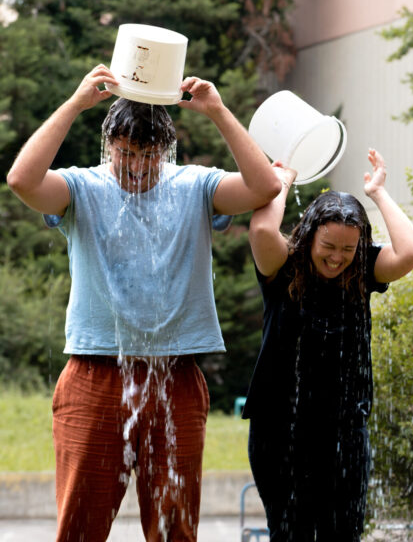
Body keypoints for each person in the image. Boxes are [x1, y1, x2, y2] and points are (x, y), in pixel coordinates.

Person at [5, 64, 281, 541]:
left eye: (148, 156)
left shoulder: (196, 186)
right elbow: (22, 181)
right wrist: (74, 104)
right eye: (125, 153)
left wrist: (217, 111)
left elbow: (265, 187)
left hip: (176, 377)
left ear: (166, 150)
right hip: (95, 374)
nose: (135, 166)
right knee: (79, 530)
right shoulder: (82, 188)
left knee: (176, 532)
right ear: (109, 146)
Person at [242, 148, 413, 541]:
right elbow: (259, 231)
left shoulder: (362, 271)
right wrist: (283, 180)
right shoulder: (282, 265)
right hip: (280, 431)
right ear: (309, 236)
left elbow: (412, 252)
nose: (337, 258)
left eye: (348, 248)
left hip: (345, 433)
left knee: (343, 534)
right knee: (289, 533)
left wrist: (378, 193)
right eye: (328, 246)